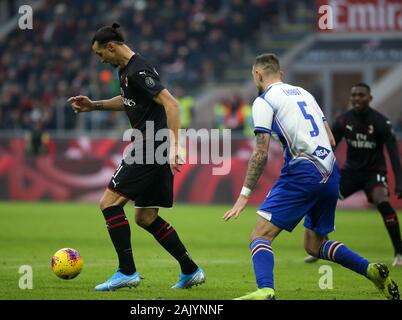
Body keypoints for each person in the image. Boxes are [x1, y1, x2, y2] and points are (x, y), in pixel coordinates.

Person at [223, 53, 399, 300]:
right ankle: (370, 270)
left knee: (260, 235)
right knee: (314, 246)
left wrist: (243, 196)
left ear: (258, 75)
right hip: (330, 172)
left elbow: (260, 153)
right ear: (281, 75)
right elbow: (330, 139)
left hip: (303, 171)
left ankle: (265, 289)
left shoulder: (264, 101)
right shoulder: (306, 94)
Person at [68, 23, 205, 291]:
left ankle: (127, 271)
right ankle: (190, 270)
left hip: (152, 144)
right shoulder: (126, 71)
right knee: (145, 217)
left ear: (111, 46)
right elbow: (127, 100)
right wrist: (94, 106)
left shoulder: (138, 69)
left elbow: (172, 103)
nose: (100, 60)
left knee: (109, 204)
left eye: (100, 54)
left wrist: (176, 146)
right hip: (155, 146)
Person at [304, 83, 402, 266]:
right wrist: (319, 170)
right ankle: (320, 245)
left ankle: (399, 253)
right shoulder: (343, 120)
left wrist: (399, 182)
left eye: (361, 95)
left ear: (369, 98)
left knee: (383, 202)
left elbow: (393, 153)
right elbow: (330, 146)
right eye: (354, 95)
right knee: (321, 198)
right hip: (350, 173)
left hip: (374, 173)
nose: (357, 99)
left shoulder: (381, 122)